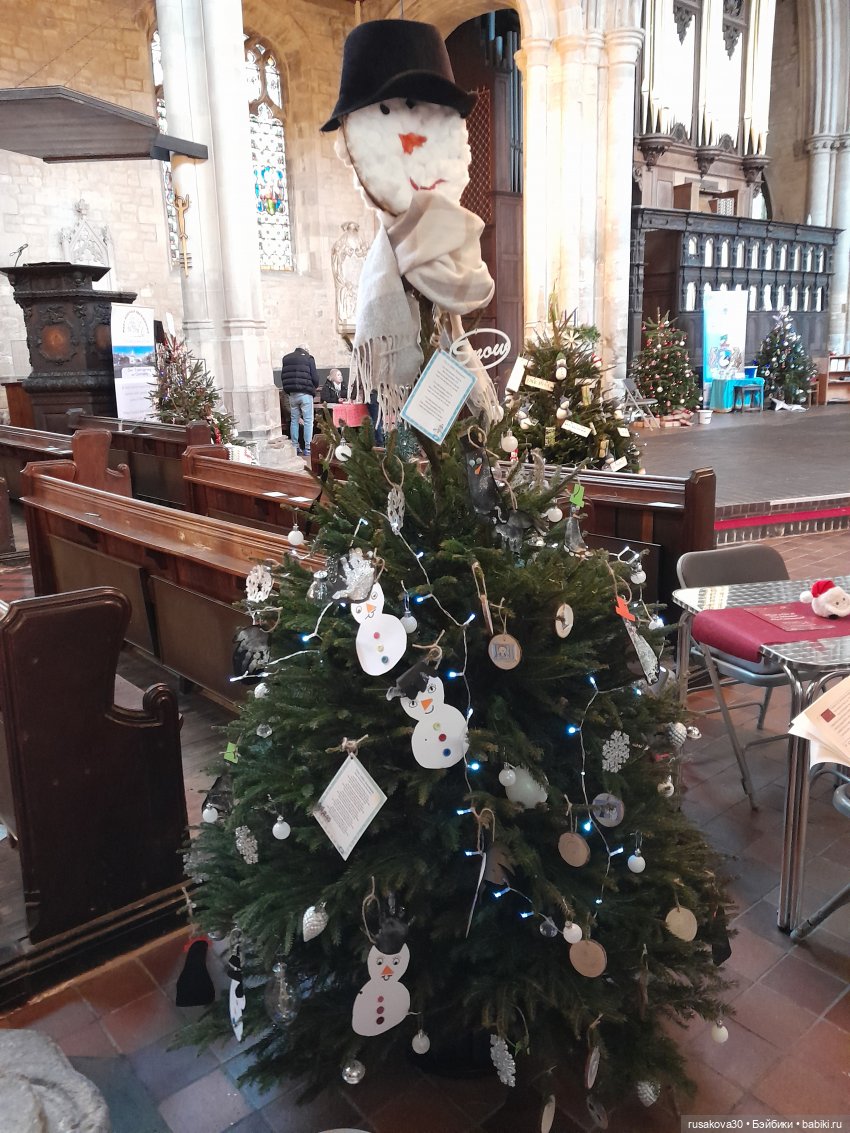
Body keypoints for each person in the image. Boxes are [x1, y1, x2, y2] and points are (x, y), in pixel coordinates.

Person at [280, 344, 320, 458]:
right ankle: (308, 448)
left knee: (294, 420)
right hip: (306, 393)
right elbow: (315, 377)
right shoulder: (309, 358)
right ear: (306, 350)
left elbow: (283, 376)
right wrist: (314, 386)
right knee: (308, 421)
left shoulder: (286, 358)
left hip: (292, 394)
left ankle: (295, 446)